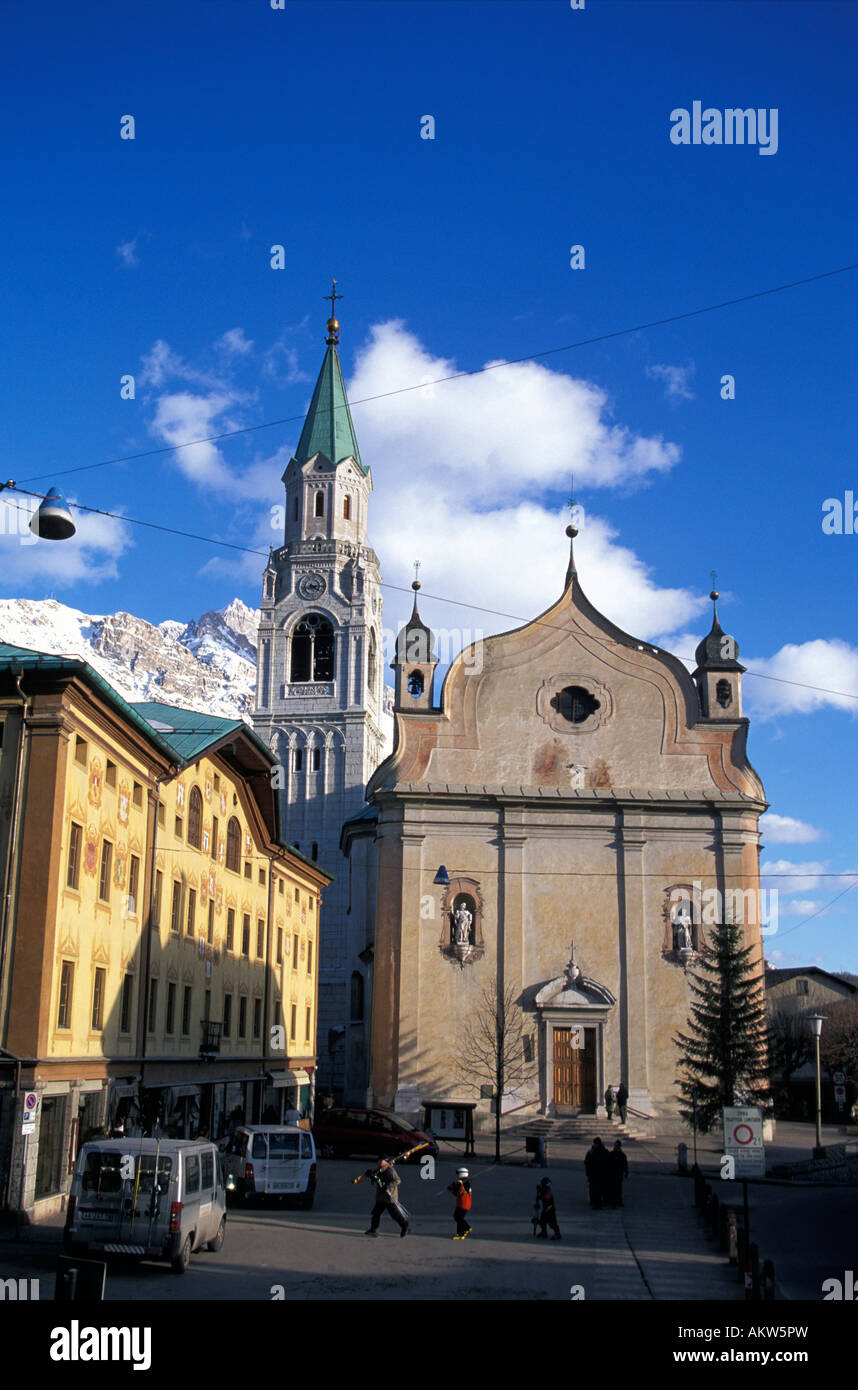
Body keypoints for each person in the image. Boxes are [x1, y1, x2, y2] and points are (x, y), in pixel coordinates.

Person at [364, 1157, 409, 1237]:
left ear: (386, 1162)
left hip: (389, 1197)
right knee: (376, 1213)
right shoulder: (379, 1169)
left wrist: (388, 1186)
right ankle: (374, 1229)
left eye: (382, 1161)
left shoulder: (390, 1170)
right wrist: (370, 1175)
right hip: (381, 1197)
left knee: (395, 1214)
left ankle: (405, 1227)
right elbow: (376, 1177)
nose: (380, 1162)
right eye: (379, 1160)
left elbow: (398, 1180)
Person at [447, 1166, 472, 1239]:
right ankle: (466, 1228)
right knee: (457, 1217)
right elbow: (458, 1194)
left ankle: (461, 1232)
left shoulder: (465, 1183)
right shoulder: (461, 1183)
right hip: (460, 1203)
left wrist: (457, 1186)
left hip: (464, 1204)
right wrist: (452, 1190)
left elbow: (462, 1192)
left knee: (459, 1218)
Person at [584, 1137, 609, 1210]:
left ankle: (597, 1203)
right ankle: (594, 1202)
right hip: (594, 1174)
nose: (596, 1145)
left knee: (597, 1189)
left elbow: (607, 1163)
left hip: (599, 1174)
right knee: (594, 1189)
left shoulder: (602, 1151)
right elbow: (587, 1162)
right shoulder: (592, 1151)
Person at [607, 1139, 629, 1208]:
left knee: (618, 1188)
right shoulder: (611, 1154)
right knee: (612, 1188)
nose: (615, 1147)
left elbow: (625, 1164)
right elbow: (608, 1164)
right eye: (615, 1145)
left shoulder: (622, 1155)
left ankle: (618, 1201)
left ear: (619, 1146)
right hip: (612, 1174)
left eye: (617, 1145)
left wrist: (626, 1172)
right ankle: (613, 1202)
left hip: (619, 1174)